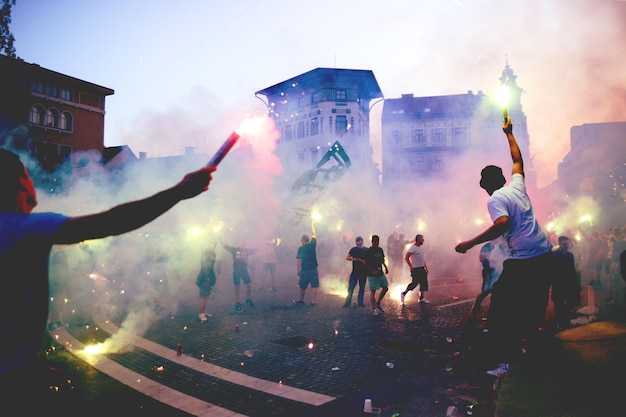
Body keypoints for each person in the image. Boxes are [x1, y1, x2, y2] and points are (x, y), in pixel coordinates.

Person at [0, 148, 215, 388]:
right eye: (28, 175)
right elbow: (111, 222)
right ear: (20, 181)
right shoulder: (23, 228)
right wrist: (180, 191)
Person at [454, 117, 554, 377]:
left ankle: (506, 363)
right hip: (545, 254)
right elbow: (518, 160)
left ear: (485, 184)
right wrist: (509, 133)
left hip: (524, 260)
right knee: (533, 307)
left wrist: (470, 242)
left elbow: (502, 223)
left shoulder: (496, 199)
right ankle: (530, 354)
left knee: (500, 312)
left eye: (481, 181)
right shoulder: (517, 186)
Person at [469, 238, 507, 319]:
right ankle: (474, 309)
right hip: (488, 272)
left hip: (498, 271)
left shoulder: (501, 246)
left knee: (496, 291)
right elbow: (481, 258)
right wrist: (489, 258)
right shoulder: (487, 246)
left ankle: (494, 312)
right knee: (486, 291)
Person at [551, 236, 582, 329]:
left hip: (568, 284)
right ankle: (560, 323)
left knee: (569, 304)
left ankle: (566, 322)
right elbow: (550, 270)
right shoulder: (554, 255)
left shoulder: (570, 255)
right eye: (564, 244)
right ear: (559, 244)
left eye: (567, 244)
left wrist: (576, 286)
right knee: (559, 305)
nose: (566, 246)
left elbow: (572, 271)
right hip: (558, 284)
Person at [223, 240, 257, 312]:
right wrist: (220, 239)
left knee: (249, 285)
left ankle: (248, 299)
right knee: (237, 286)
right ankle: (237, 302)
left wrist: (263, 244)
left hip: (244, 271)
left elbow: (255, 249)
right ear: (239, 244)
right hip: (236, 271)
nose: (242, 245)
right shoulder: (234, 250)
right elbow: (225, 246)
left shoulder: (247, 251)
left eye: (244, 244)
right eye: (241, 244)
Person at [293, 219, 319, 306]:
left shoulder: (301, 248)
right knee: (314, 286)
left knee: (302, 286)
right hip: (313, 269)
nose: (301, 241)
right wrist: (312, 225)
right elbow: (314, 235)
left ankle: (301, 300)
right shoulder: (312, 245)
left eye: (301, 240)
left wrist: (298, 270)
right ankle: (313, 302)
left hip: (304, 270)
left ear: (304, 240)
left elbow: (299, 260)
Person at [400, 234, 430, 304]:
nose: (423, 240)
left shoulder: (420, 248)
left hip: (421, 268)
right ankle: (403, 293)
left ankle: (421, 298)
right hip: (416, 268)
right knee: (414, 283)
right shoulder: (413, 248)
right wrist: (411, 266)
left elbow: (422, 259)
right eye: (422, 239)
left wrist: (425, 267)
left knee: (424, 283)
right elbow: (406, 257)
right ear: (418, 240)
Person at [364, 234, 389, 315]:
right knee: (373, 291)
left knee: (385, 288)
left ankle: (378, 303)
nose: (377, 243)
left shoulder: (380, 249)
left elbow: (382, 259)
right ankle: (374, 308)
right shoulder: (369, 251)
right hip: (372, 274)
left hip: (380, 272)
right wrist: (372, 270)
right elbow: (365, 262)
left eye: (378, 241)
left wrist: (385, 267)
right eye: (375, 241)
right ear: (372, 242)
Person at [343, 236, 368, 308]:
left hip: (363, 272)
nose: (358, 246)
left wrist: (365, 262)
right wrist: (354, 259)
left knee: (362, 288)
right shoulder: (353, 249)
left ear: (362, 242)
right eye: (357, 244)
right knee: (351, 287)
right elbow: (347, 257)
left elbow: (370, 260)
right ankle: (347, 302)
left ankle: (360, 302)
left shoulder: (366, 250)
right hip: (355, 272)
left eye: (360, 244)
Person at [196, 240, 218, 322]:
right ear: (209, 245)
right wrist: (197, 239)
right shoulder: (206, 251)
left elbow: (211, 266)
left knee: (206, 296)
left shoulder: (213, 254)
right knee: (203, 297)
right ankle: (201, 314)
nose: (213, 246)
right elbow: (201, 247)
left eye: (214, 245)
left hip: (210, 276)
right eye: (212, 244)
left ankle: (204, 311)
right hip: (204, 277)